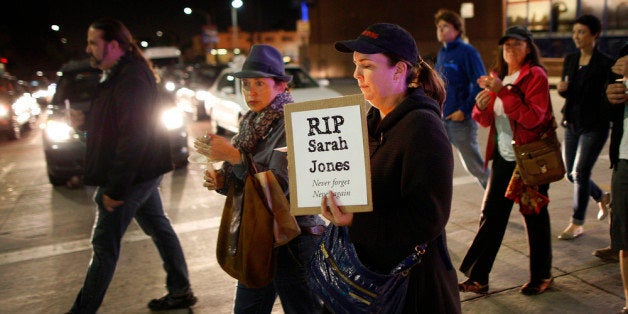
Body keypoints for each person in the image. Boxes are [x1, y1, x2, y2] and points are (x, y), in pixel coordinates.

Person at [320, 23, 461, 313]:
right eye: (356, 64)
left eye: (367, 65)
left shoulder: (422, 128)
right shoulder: (371, 123)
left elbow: (428, 219)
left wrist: (355, 221)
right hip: (368, 280)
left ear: (399, 70)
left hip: (410, 290)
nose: (356, 75)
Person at [67, 18, 197, 313]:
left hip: (135, 172)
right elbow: (115, 121)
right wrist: (85, 122)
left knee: (104, 245)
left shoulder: (131, 77)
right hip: (142, 169)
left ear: (113, 45)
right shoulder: (116, 74)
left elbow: (134, 135)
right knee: (159, 228)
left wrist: (115, 188)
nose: (88, 48)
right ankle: (180, 290)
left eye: (92, 42)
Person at [195, 44, 326, 314]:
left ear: (280, 86)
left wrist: (234, 157)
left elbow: (279, 186)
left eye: (259, 84)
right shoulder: (249, 123)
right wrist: (222, 180)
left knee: (304, 309)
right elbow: (246, 184)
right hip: (257, 234)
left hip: (294, 238)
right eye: (245, 85)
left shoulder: (293, 122)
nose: (250, 92)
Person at [458, 26, 554, 295]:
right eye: (506, 44)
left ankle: (542, 275)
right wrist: (481, 104)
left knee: (534, 216)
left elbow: (534, 118)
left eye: (517, 44)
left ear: (529, 47)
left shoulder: (535, 76)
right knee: (491, 216)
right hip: (503, 156)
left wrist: (503, 92)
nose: (510, 48)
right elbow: (485, 119)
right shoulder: (498, 76)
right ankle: (479, 278)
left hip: (529, 158)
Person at [556, 14, 614, 240]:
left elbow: (606, 98)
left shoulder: (605, 64)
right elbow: (568, 90)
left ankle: (577, 222)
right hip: (571, 123)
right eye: (574, 32)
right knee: (570, 174)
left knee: (580, 172)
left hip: (594, 126)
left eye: (581, 32)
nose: (576, 37)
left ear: (594, 34)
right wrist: (562, 89)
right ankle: (602, 196)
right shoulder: (570, 59)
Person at [435, 8, 490, 189]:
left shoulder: (468, 52)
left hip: (460, 121)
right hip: (443, 118)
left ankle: (497, 199)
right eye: (439, 26)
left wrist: (464, 110)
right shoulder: (443, 53)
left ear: (457, 30)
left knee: (474, 167)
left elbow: (479, 83)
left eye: (445, 26)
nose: (440, 30)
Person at [604, 45, 628, 313]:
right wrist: (609, 96)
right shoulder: (623, 54)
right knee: (624, 237)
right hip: (625, 158)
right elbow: (607, 112)